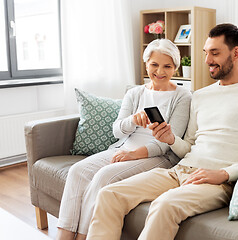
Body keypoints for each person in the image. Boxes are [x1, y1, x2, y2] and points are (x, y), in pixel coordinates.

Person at [86, 23, 238, 240]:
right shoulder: (202, 95)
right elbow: (189, 144)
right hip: (180, 170)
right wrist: (170, 139)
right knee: (110, 194)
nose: (207, 61)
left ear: (236, 53)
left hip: (218, 181)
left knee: (164, 205)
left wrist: (224, 174)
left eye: (215, 53)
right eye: (206, 53)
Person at [56, 39, 192, 240]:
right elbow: (117, 131)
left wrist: (133, 154)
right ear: (146, 64)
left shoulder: (183, 96)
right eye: (154, 64)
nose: (160, 71)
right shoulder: (134, 93)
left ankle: (84, 236)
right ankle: (64, 236)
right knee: (77, 171)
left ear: (175, 68)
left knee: (104, 176)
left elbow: (167, 142)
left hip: (156, 156)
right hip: (123, 147)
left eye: (167, 66)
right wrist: (132, 121)